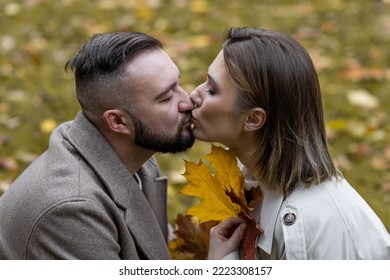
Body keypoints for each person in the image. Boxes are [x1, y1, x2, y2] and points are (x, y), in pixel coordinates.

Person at [189, 27, 390, 260]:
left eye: (212, 90)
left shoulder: (309, 224)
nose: (194, 94)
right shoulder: (251, 182)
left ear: (253, 119)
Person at [0, 31, 195, 259]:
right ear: (118, 121)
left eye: (178, 84)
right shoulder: (72, 211)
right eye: (166, 97)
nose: (187, 101)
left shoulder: (132, 154)